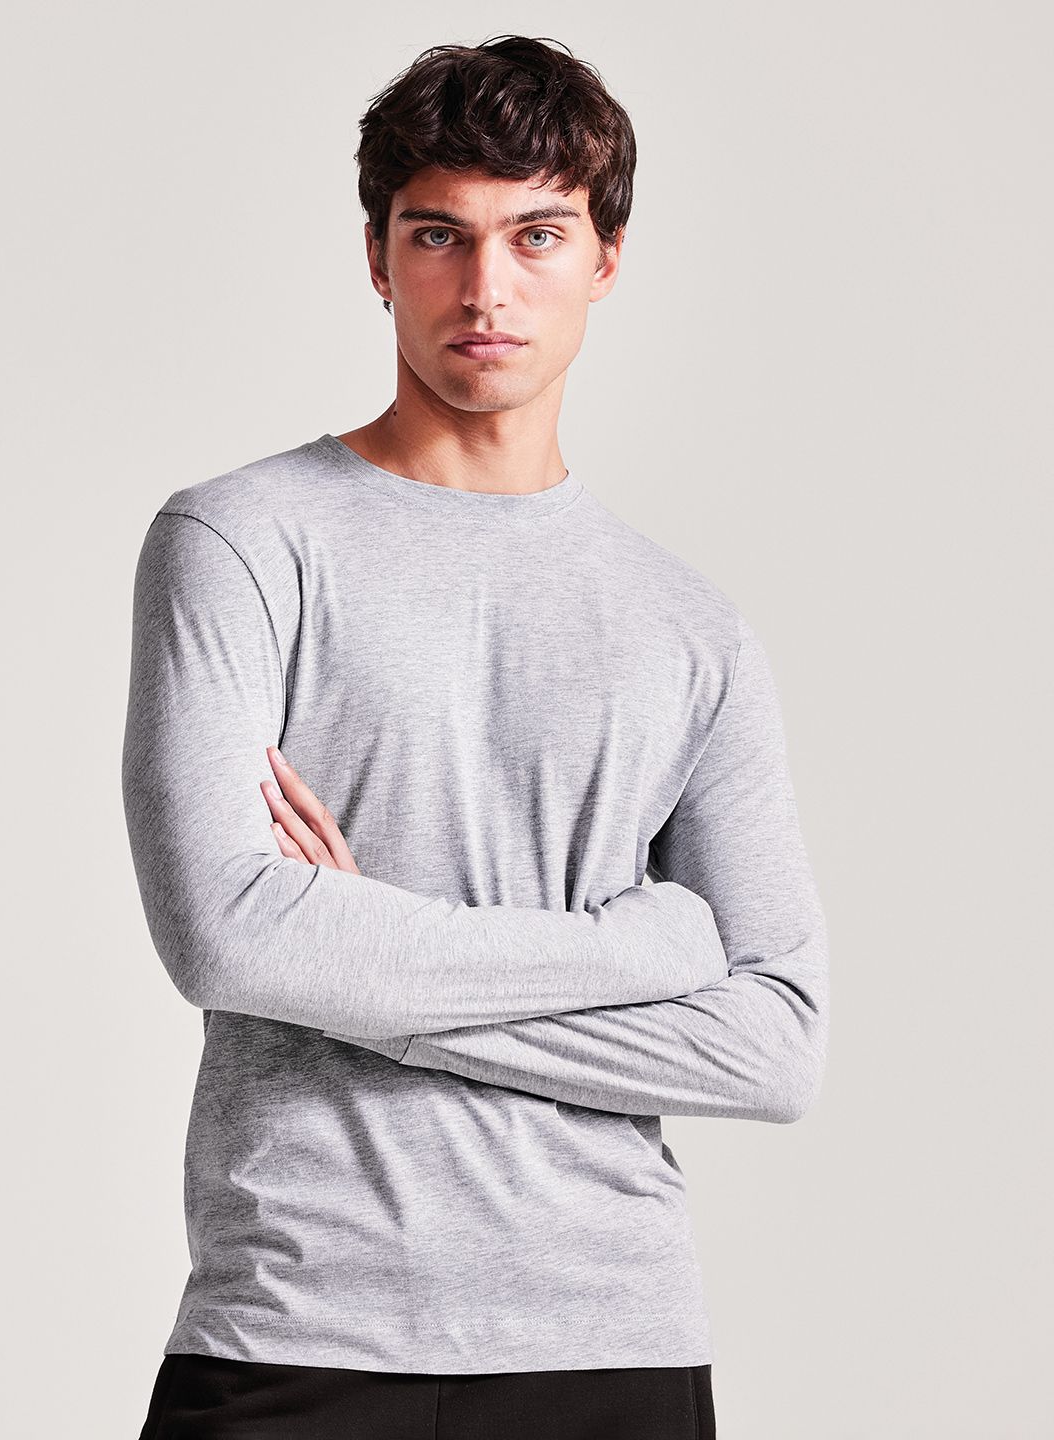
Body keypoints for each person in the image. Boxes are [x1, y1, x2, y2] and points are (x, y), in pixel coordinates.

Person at [121, 32, 828, 1440]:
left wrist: (359, 957)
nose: (486, 286)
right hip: (298, 1323)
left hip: (613, 1339)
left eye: (537, 235)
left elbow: (772, 1047)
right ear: (378, 258)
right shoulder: (239, 542)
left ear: (606, 259)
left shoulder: (691, 627)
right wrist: (637, 951)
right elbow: (227, 938)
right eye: (439, 234)